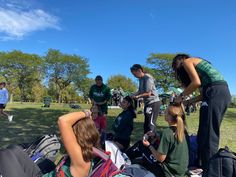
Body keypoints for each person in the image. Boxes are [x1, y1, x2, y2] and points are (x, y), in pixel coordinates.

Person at [172, 54, 231, 169]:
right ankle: (201, 164)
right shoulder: (200, 68)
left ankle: (209, 169)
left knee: (209, 133)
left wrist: (181, 96)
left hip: (216, 92)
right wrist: (188, 102)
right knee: (204, 131)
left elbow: (196, 83)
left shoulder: (187, 61)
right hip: (218, 92)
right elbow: (203, 94)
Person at [0, 110, 100, 177]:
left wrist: (86, 112)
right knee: (14, 149)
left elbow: (63, 121)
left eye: (68, 133)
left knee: (5, 155)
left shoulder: (80, 158)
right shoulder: (87, 151)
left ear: (77, 135)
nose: (62, 137)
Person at [126, 103, 189, 177]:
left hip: (168, 172)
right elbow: (172, 141)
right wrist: (155, 135)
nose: (164, 113)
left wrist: (149, 145)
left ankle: (124, 158)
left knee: (141, 145)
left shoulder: (167, 133)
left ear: (170, 116)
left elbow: (160, 158)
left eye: (166, 112)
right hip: (180, 171)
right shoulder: (183, 131)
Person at [130, 64, 161, 134]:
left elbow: (148, 93)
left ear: (139, 70)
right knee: (146, 124)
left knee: (151, 123)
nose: (134, 76)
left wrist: (138, 97)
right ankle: (146, 139)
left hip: (154, 103)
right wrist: (132, 95)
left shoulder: (148, 78)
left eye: (135, 74)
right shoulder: (140, 79)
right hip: (147, 103)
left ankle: (154, 141)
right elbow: (139, 91)